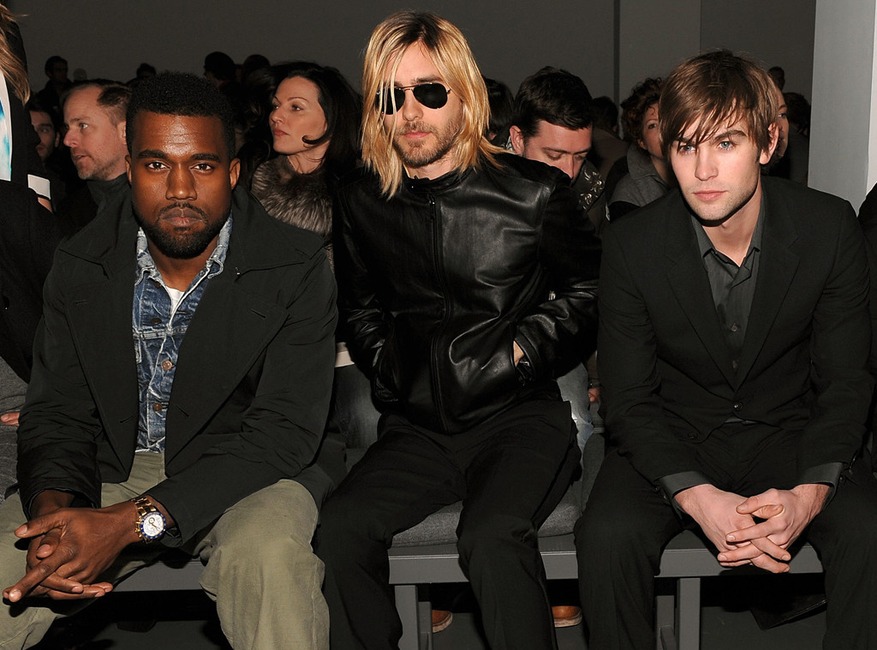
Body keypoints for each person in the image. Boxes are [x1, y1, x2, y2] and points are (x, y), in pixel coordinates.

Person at [0, 71, 338, 650]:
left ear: (233, 173)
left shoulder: (295, 266)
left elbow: (281, 434)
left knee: (268, 558)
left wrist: (130, 522)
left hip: (248, 470)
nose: (180, 188)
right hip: (112, 465)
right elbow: (56, 412)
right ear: (131, 169)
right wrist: (54, 517)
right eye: (157, 164)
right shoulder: (80, 262)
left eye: (202, 165)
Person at [314, 11, 599, 649]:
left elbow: (590, 292)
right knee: (340, 530)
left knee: (492, 536)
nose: (410, 112)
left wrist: (519, 352)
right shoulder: (362, 198)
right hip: (417, 427)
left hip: (519, 418)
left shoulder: (535, 193)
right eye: (391, 96)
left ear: (465, 95)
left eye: (429, 91)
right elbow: (360, 309)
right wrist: (396, 372)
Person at [576, 50, 877, 649]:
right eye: (686, 146)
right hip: (674, 431)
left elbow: (846, 381)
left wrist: (808, 496)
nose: (704, 169)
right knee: (606, 536)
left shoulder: (828, 227)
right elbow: (629, 400)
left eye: (726, 143)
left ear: (769, 143)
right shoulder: (633, 244)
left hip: (789, 431)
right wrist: (697, 496)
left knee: (869, 530)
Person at [509, 66, 606, 233]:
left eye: (580, 156)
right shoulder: (477, 186)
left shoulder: (591, 188)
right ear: (518, 140)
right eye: (554, 155)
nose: (570, 172)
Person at [56, 80, 131, 236]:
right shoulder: (68, 213)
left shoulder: (159, 204)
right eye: (67, 128)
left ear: (124, 132)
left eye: (82, 125)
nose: (67, 140)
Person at [608, 77, 674, 220]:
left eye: (668, 120)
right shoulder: (629, 194)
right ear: (641, 142)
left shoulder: (700, 173)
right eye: (652, 125)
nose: (664, 130)